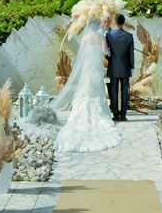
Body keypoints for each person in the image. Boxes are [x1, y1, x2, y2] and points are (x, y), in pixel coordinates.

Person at [50, 17, 121, 152]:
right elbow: (106, 52)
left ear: (88, 25)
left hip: (86, 69)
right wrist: (110, 53)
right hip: (97, 69)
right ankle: (100, 115)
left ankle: (80, 114)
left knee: (85, 92)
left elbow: (81, 56)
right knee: (97, 92)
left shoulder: (84, 39)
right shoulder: (101, 38)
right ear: (97, 25)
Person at [105, 13, 135, 122]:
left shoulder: (109, 35)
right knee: (125, 91)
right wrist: (131, 66)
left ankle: (115, 115)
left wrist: (110, 60)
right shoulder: (129, 36)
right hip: (125, 67)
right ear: (124, 22)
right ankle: (123, 115)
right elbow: (131, 54)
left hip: (113, 66)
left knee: (113, 91)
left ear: (115, 21)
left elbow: (105, 51)